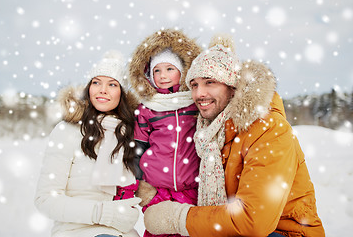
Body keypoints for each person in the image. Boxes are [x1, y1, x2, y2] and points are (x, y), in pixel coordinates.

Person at [141, 34, 325, 236]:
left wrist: (178, 218)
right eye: (194, 85)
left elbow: (253, 221)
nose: (199, 94)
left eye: (210, 82)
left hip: (284, 233)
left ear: (232, 87)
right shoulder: (209, 133)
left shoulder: (269, 129)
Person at [34, 50, 142, 237]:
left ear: (121, 94)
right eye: (96, 82)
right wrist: (101, 213)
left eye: (112, 84)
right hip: (75, 231)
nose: (103, 90)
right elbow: (45, 199)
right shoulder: (68, 131)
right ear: (88, 88)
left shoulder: (130, 134)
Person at [128, 28, 202, 237]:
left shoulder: (195, 103)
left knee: (191, 231)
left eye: (169, 69)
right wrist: (141, 186)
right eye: (157, 71)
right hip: (157, 189)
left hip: (192, 188)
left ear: (183, 71)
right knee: (159, 231)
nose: (163, 76)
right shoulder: (147, 107)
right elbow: (138, 148)